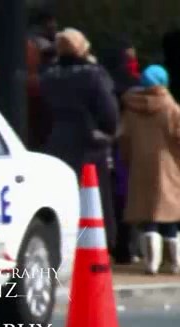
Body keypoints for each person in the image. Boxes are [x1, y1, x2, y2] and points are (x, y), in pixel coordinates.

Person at [40, 28, 120, 250]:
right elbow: (109, 112)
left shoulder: (48, 75)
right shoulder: (94, 74)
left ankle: (66, 242)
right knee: (94, 196)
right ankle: (99, 243)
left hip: (56, 142)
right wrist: (108, 133)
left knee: (64, 196)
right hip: (89, 143)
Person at [118, 65, 180, 275]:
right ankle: (175, 263)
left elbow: (124, 137)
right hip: (168, 165)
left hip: (140, 165)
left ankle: (151, 263)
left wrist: (127, 159)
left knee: (148, 215)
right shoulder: (170, 107)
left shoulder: (131, 107)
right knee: (170, 214)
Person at [98, 36, 143, 263]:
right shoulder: (135, 87)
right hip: (125, 148)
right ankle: (128, 248)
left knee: (112, 197)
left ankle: (115, 244)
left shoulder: (104, 82)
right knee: (126, 197)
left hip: (108, 147)